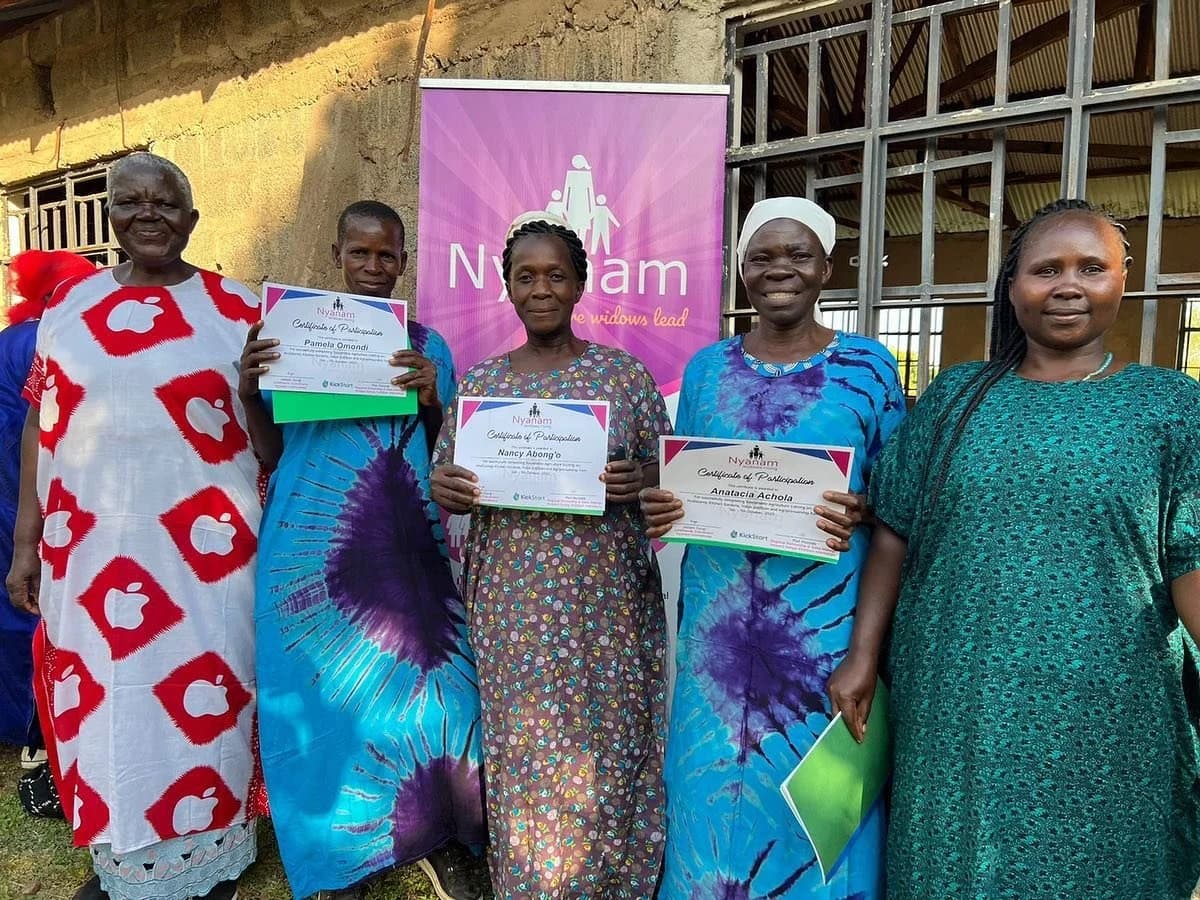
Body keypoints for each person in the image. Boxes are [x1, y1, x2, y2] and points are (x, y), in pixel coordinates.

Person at [827, 198, 1200, 898]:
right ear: (1012, 285)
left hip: (1108, 713)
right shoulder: (959, 395)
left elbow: (1191, 560)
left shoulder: (1170, 406)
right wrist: (863, 656)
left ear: (1124, 279)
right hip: (956, 709)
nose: (1067, 285)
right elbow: (893, 532)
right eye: (1045, 268)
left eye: (1091, 268)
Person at [6, 151, 264, 900]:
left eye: (165, 202)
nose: (147, 213)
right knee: (105, 699)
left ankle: (207, 855)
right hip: (85, 554)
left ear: (192, 219)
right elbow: (38, 423)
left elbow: (271, 429)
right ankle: (120, 854)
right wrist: (28, 541)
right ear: (111, 216)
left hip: (207, 557)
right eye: (129, 201)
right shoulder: (70, 310)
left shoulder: (239, 310)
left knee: (204, 692)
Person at [640, 197, 906, 899]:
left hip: (822, 633)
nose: (778, 269)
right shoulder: (705, 370)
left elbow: (899, 508)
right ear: (740, 272)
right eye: (760, 257)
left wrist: (865, 652)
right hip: (716, 640)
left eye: (796, 255)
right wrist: (665, 503)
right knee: (709, 786)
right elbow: (687, 481)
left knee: (812, 802)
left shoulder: (870, 368)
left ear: (826, 266)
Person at [240, 200, 486, 900]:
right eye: (360, 253)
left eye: (387, 255)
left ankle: (444, 834)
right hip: (315, 555)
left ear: (404, 261)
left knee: (439, 698)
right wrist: (248, 387)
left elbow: (453, 457)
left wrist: (435, 398)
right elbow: (271, 450)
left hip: (411, 548)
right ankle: (341, 856)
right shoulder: (288, 338)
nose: (374, 267)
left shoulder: (426, 345)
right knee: (327, 704)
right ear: (338, 256)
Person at [431, 215, 670, 899]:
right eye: (525, 276)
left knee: (609, 745)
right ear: (506, 286)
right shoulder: (479, 386)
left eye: (555, 275)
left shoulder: (623, 379)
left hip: (605, 608)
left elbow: (673, 485)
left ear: (580, 285)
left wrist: (643, 481)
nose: (541, 288)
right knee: (526, 753)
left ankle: (612, 882)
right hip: (514, 608)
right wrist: (441, 485)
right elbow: (449, 479)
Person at [2, 251, 95, 781]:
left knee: (19, 603)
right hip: (45, 479)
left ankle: (27, 732)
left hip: (18, 485)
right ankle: (40, 732)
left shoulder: (15, 341)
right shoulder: (55, 338)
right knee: (42, 610)